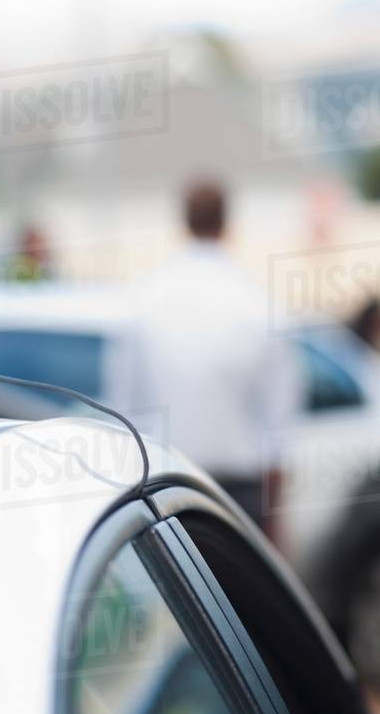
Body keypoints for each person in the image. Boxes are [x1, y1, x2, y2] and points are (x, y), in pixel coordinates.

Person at [128, 180, 302, 542]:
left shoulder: (144, 298)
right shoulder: (257, 301)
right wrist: (275, 519)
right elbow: (279, 423)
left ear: (184, 221)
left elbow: (126, 407)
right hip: (240, 496)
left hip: (162, 493)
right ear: (226, 222)